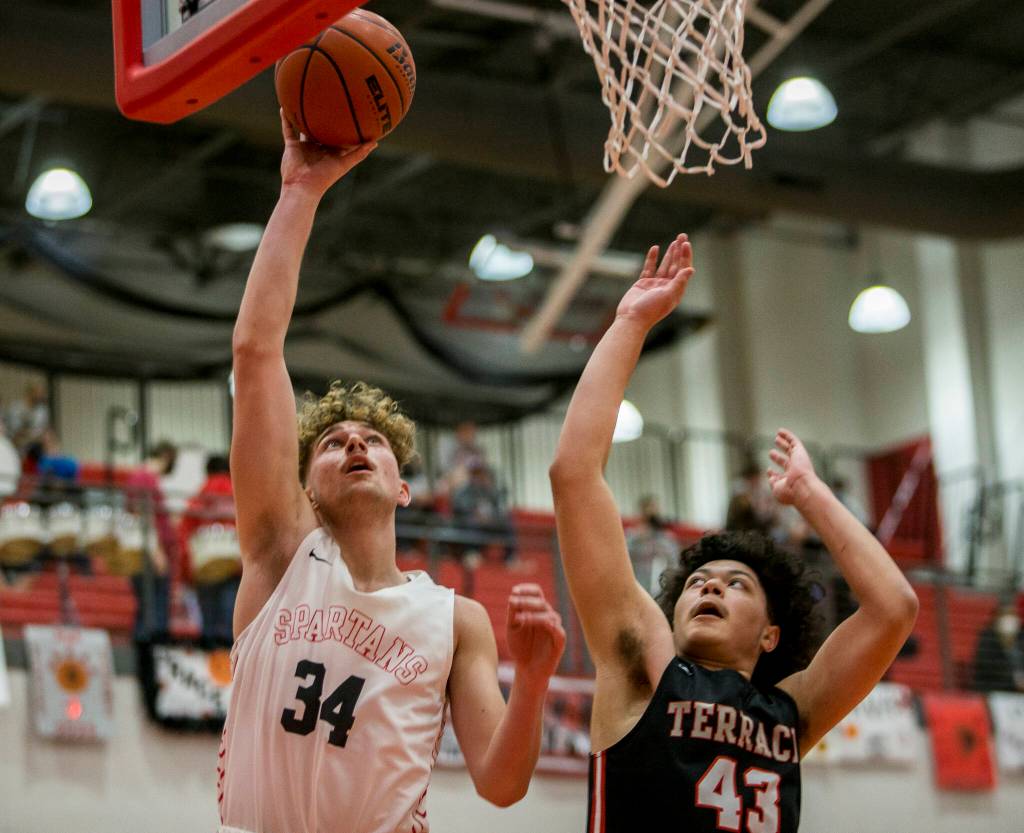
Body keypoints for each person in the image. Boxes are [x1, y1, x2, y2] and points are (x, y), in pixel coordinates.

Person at [218, 111, 565, 833]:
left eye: (372, 440)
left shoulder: (456, 619)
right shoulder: (282, 552)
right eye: (332, 442)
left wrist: (531, 680)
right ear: (305, 486)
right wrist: (299, 193)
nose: (353, 446)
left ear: (403, 485)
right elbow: (256, 352)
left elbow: (501, 785)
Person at [548, 234, 919, 833]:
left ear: (771, 634)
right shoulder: (645, 662)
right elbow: (573, 475)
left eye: (736, 584)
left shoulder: (791, 712)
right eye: (697, 582)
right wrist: (629, 324)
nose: (710, 588)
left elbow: (894, 608)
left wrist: (810, 495)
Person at [178, 454, 241, 643]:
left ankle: (209, 668)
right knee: (232, 622)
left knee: (208, 623)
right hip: (232, 568)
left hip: (204, 568)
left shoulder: (199, 496)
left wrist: (187, 573)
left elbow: (185, 535)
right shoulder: (236, 493)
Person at [126, 440, 178, 638]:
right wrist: (156, 551)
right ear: (166, 457)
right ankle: (149, 663)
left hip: (148, 550)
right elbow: (143, 515)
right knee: (153, 614)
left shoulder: (144, 478)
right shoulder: (144, 478)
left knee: (151, 611)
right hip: (149, 553)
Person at [625, 495, 678, 596]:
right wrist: (640, 536)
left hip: (657, 587)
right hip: (636, 586)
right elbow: (623, 558)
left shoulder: (665, 538)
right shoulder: (632, 536)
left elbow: (673, 560)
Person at [972, 601, 1024, 693]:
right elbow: (987, 666)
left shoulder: (1020, 638)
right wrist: (1014, 681)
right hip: (993, 689)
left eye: (1013, 615)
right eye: (1006, 615)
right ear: (997, 618)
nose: (1010, 620)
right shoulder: (988, 637)